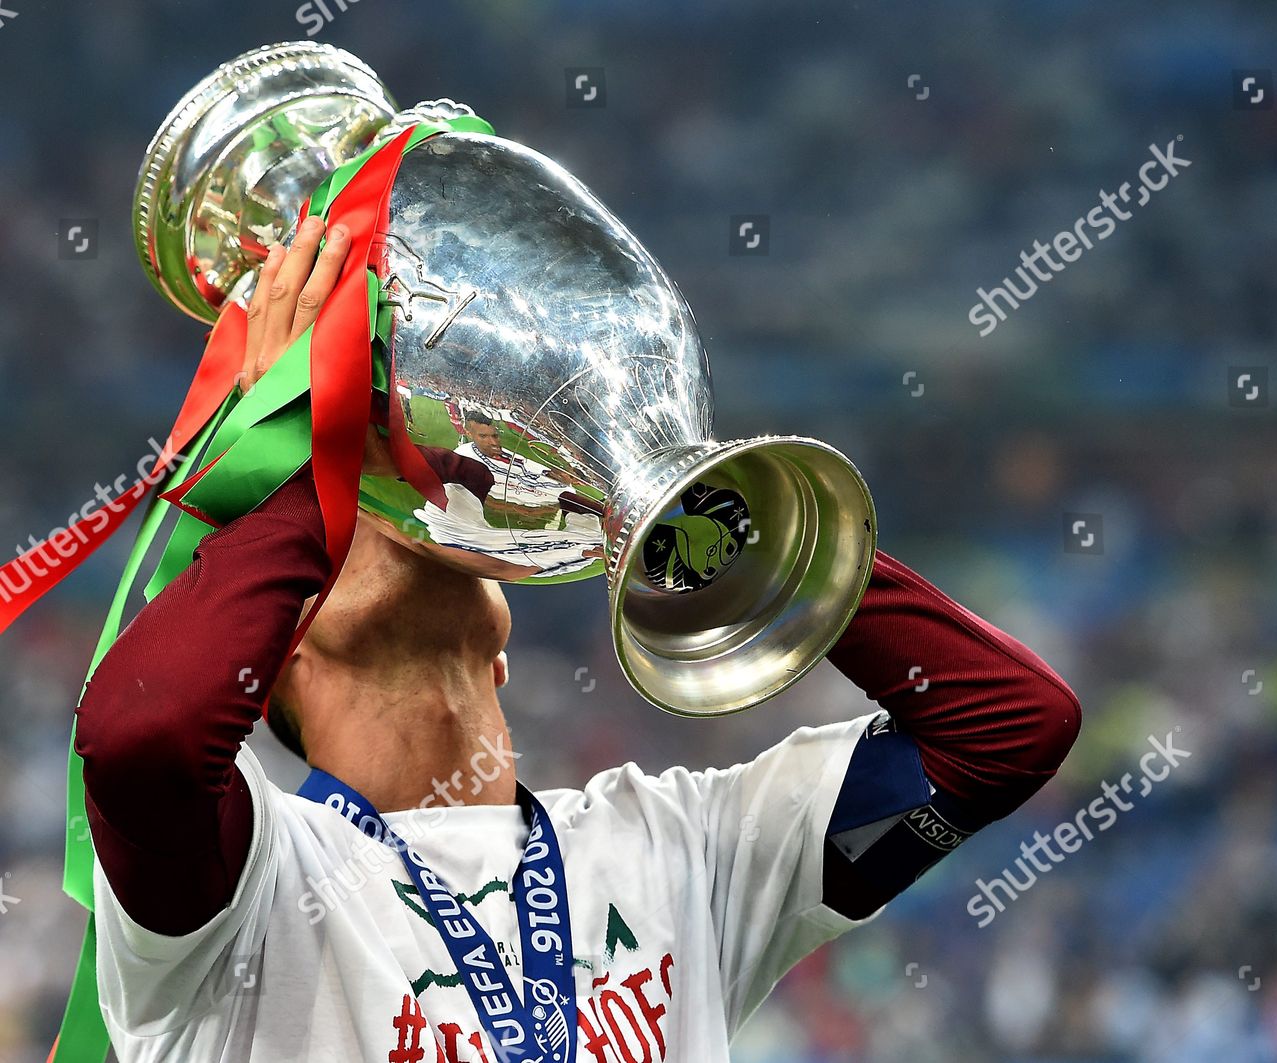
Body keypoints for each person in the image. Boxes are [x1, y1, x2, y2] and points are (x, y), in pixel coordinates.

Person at [74, 213, 1082, 1061]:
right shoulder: (248, 883)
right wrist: (302, 461)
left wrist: (715, 520)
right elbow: (142, 737)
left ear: (503, 641)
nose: (387, 508)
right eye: (356, 510)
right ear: (279, 647)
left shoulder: (680, 848)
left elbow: (1009, 728)